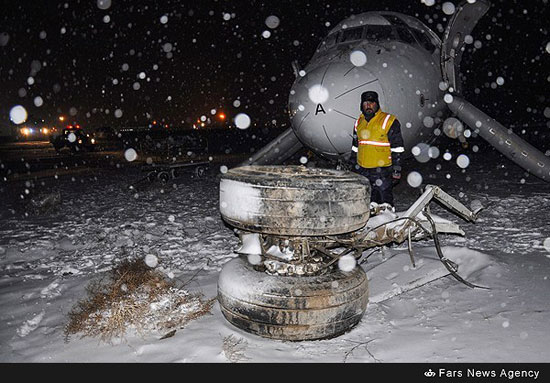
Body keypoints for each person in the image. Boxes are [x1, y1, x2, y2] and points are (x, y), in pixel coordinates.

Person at [348, 91, 405, 213]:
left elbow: (397, 148)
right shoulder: (359, 122)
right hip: (363, 170)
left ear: (377, 104)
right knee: (368, 202)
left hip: (382, 171)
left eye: (372, 103)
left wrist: (396, 169)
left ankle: (388, 224)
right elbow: (355, 147)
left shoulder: (388, 121)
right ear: (361, 105)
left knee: (385, 202)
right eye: (365, 103)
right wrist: (353, 164)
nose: (368, 106)